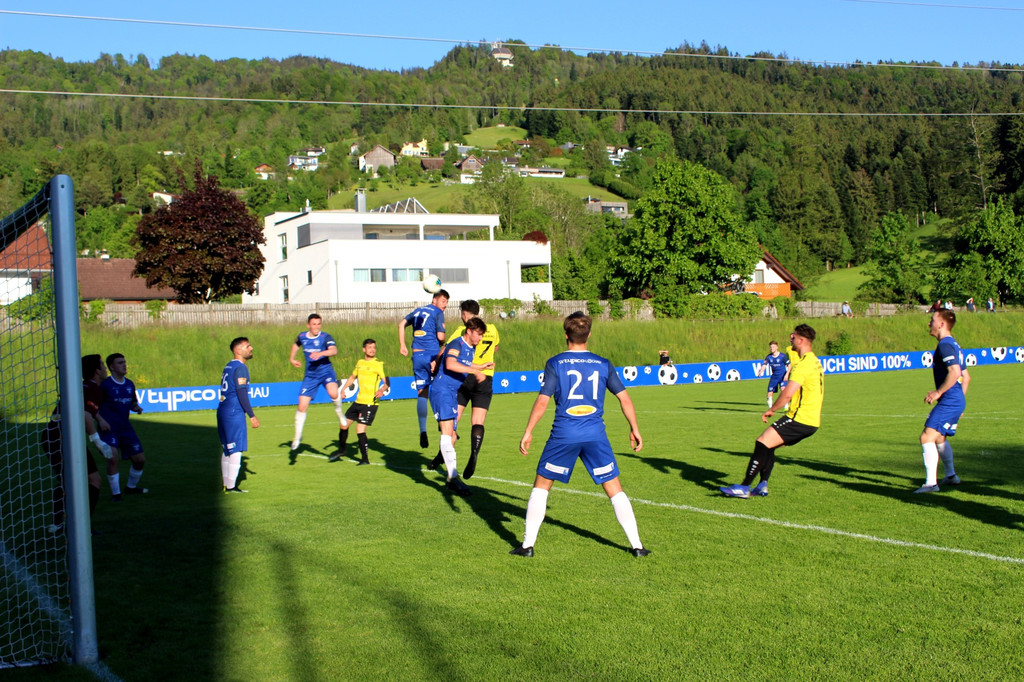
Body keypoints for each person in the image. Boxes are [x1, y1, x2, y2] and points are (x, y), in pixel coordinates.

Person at [511, 312, 649, 558]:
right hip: (596, 434)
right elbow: (624, 398)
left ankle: (527, 546)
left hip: (564, 434)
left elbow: (543, 401)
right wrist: (634, 428)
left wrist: (528, 431)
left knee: (541, 487)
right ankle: (637, 546)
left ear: (566, 335)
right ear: (589, 335)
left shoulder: (555, 363)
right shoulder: (603, 363)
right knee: (615, 489)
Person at [721, 324, 823, 498]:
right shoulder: (813, 361)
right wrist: (792, 342)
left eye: (794, 336)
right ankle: (762, 485)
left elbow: (787, 394)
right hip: (811, 421)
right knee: (769, 446)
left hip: (800, 418)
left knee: (762, 442)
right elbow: (792, 351)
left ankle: (744, 487)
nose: (790, 338)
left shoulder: (803, 365)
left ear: (802, 340)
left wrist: (771, 410)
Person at [429, 299, 499, 479]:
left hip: (465, 377)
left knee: (451, 424)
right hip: (485, 377)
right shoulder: (493, 329)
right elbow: (496, 348)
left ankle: (444, 457)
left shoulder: (462, 332)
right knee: (478, 422)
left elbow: (446, 351)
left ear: (465, 314)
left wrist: (436, 361)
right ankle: (473, 453)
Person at [42, 355, 108, 532]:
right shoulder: (93, 388)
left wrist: (100, 419)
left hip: (50, 436)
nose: (105, 368)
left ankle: (56, 524)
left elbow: (85, 411)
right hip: (65, 438)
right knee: (94, 480)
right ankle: (82, 527)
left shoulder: (80, 387)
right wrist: (98, 442)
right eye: (102, 365)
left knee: (65, 479)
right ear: (96, 370)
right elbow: (85, 415)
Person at [915, 310, 971, 493]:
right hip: (955, 399)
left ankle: (931, 484)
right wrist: (959, 401)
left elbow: (955, 373)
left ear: (941, 324)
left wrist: (938, 392)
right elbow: (966, 377)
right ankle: (951, 476)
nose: (929, 323)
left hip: (950, 399)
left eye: (932, 320)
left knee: (926, 437)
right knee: (939, 438)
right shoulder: (954, 344)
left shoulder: (945, 345)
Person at [397, 289, 449, 449]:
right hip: (433, 355)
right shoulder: (438, 312)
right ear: (435, 299)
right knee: (439, 388)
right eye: (443, 301)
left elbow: (401, 324)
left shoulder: (418, 311)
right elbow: (440, 337)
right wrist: (443, 342)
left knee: (422, 393)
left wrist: (403, 345)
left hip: (417, 356)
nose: (445, 306)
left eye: (446, 303)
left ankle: (423, 430)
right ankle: (441, 422)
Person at [288, 313, 346, 453]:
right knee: (302, 406)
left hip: (326, 372)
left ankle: (340, 414)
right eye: (314, 324)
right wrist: (292, 358)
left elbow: (334, 350)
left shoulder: (325, 337)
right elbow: (296, 344)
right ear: (308, 325)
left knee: (333, 393)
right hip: (311, 376)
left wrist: (321, 354)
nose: (316, 327)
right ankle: (297, 437)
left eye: (318, 324)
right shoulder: (302, 336)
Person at [329, 339, 389, 465]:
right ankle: (342, 449)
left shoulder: (378, 364)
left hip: (370, 403)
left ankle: (364, 459)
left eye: (374, 347)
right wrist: (343, 389)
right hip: (358, 401)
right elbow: (352, 377)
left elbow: (386, 382)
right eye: (370, 347)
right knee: (343, 424)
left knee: (359, 429)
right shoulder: (360, 363)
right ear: (364, 349)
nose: (372, 350)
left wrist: (382, 389)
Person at [98, 353, 148, 499]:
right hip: (109, 428)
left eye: (124, 362)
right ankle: (116, 494)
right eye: (120, 363)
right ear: (112, 367)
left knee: (140, 460)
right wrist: (101, 420)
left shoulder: (129, 384)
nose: (124, 365)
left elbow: (132, 402)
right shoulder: (105, 385)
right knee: (113, 457)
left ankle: (130, 488)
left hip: (125, 427)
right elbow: (95, 406)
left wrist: (136, 407)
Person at [218, 337, 260, 492]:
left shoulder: (228, 366)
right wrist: (251, 415)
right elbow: (241, 393)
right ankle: (231, 487)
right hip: (234, 411)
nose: (251, 348)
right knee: (236, 449)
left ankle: (226, 484)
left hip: (223, 409)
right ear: (238, 350)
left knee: (227, 449)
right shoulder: (241, 368)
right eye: (247, 346)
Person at [757, 341, 791, 410]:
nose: (772, 348)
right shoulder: (769, 357)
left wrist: (787, 374)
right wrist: (761, 371)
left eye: (773, 347)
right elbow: (764, 364)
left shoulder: (782, 356)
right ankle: (770, 409)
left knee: (783, 389)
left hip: (782, 376)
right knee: (769, 393)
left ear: (777, 347)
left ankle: (786, 406)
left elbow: (789, 365)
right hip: (774, 377)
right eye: (771, 347)